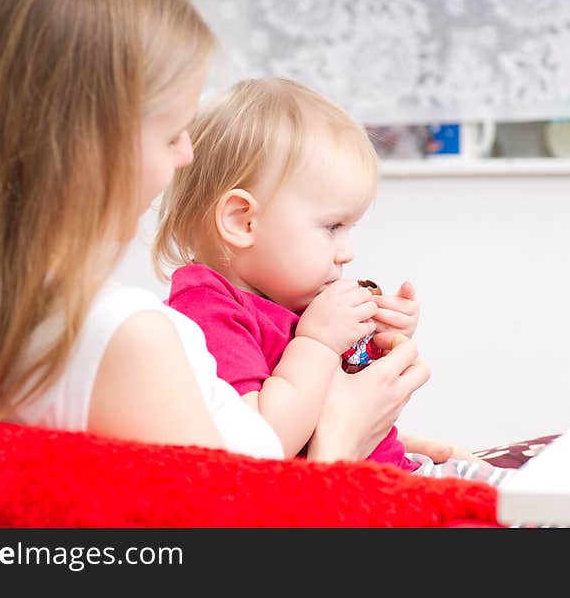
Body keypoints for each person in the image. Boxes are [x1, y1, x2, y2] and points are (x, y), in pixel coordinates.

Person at [0, 0, 428, 468]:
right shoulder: (126, 335)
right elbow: (241, 523)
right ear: (93, 144)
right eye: (171, 135)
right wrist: (343, 440)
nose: (187, 157)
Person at [154, 77, 510, 485]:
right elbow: (262, 445)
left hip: (393, 472)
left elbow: (339, 394)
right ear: (242, 220)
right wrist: (318, 343)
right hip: (353, 495)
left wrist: (374, 341)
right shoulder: (207, 312)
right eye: (333, 226)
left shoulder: (288, 295)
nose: (347, 251)